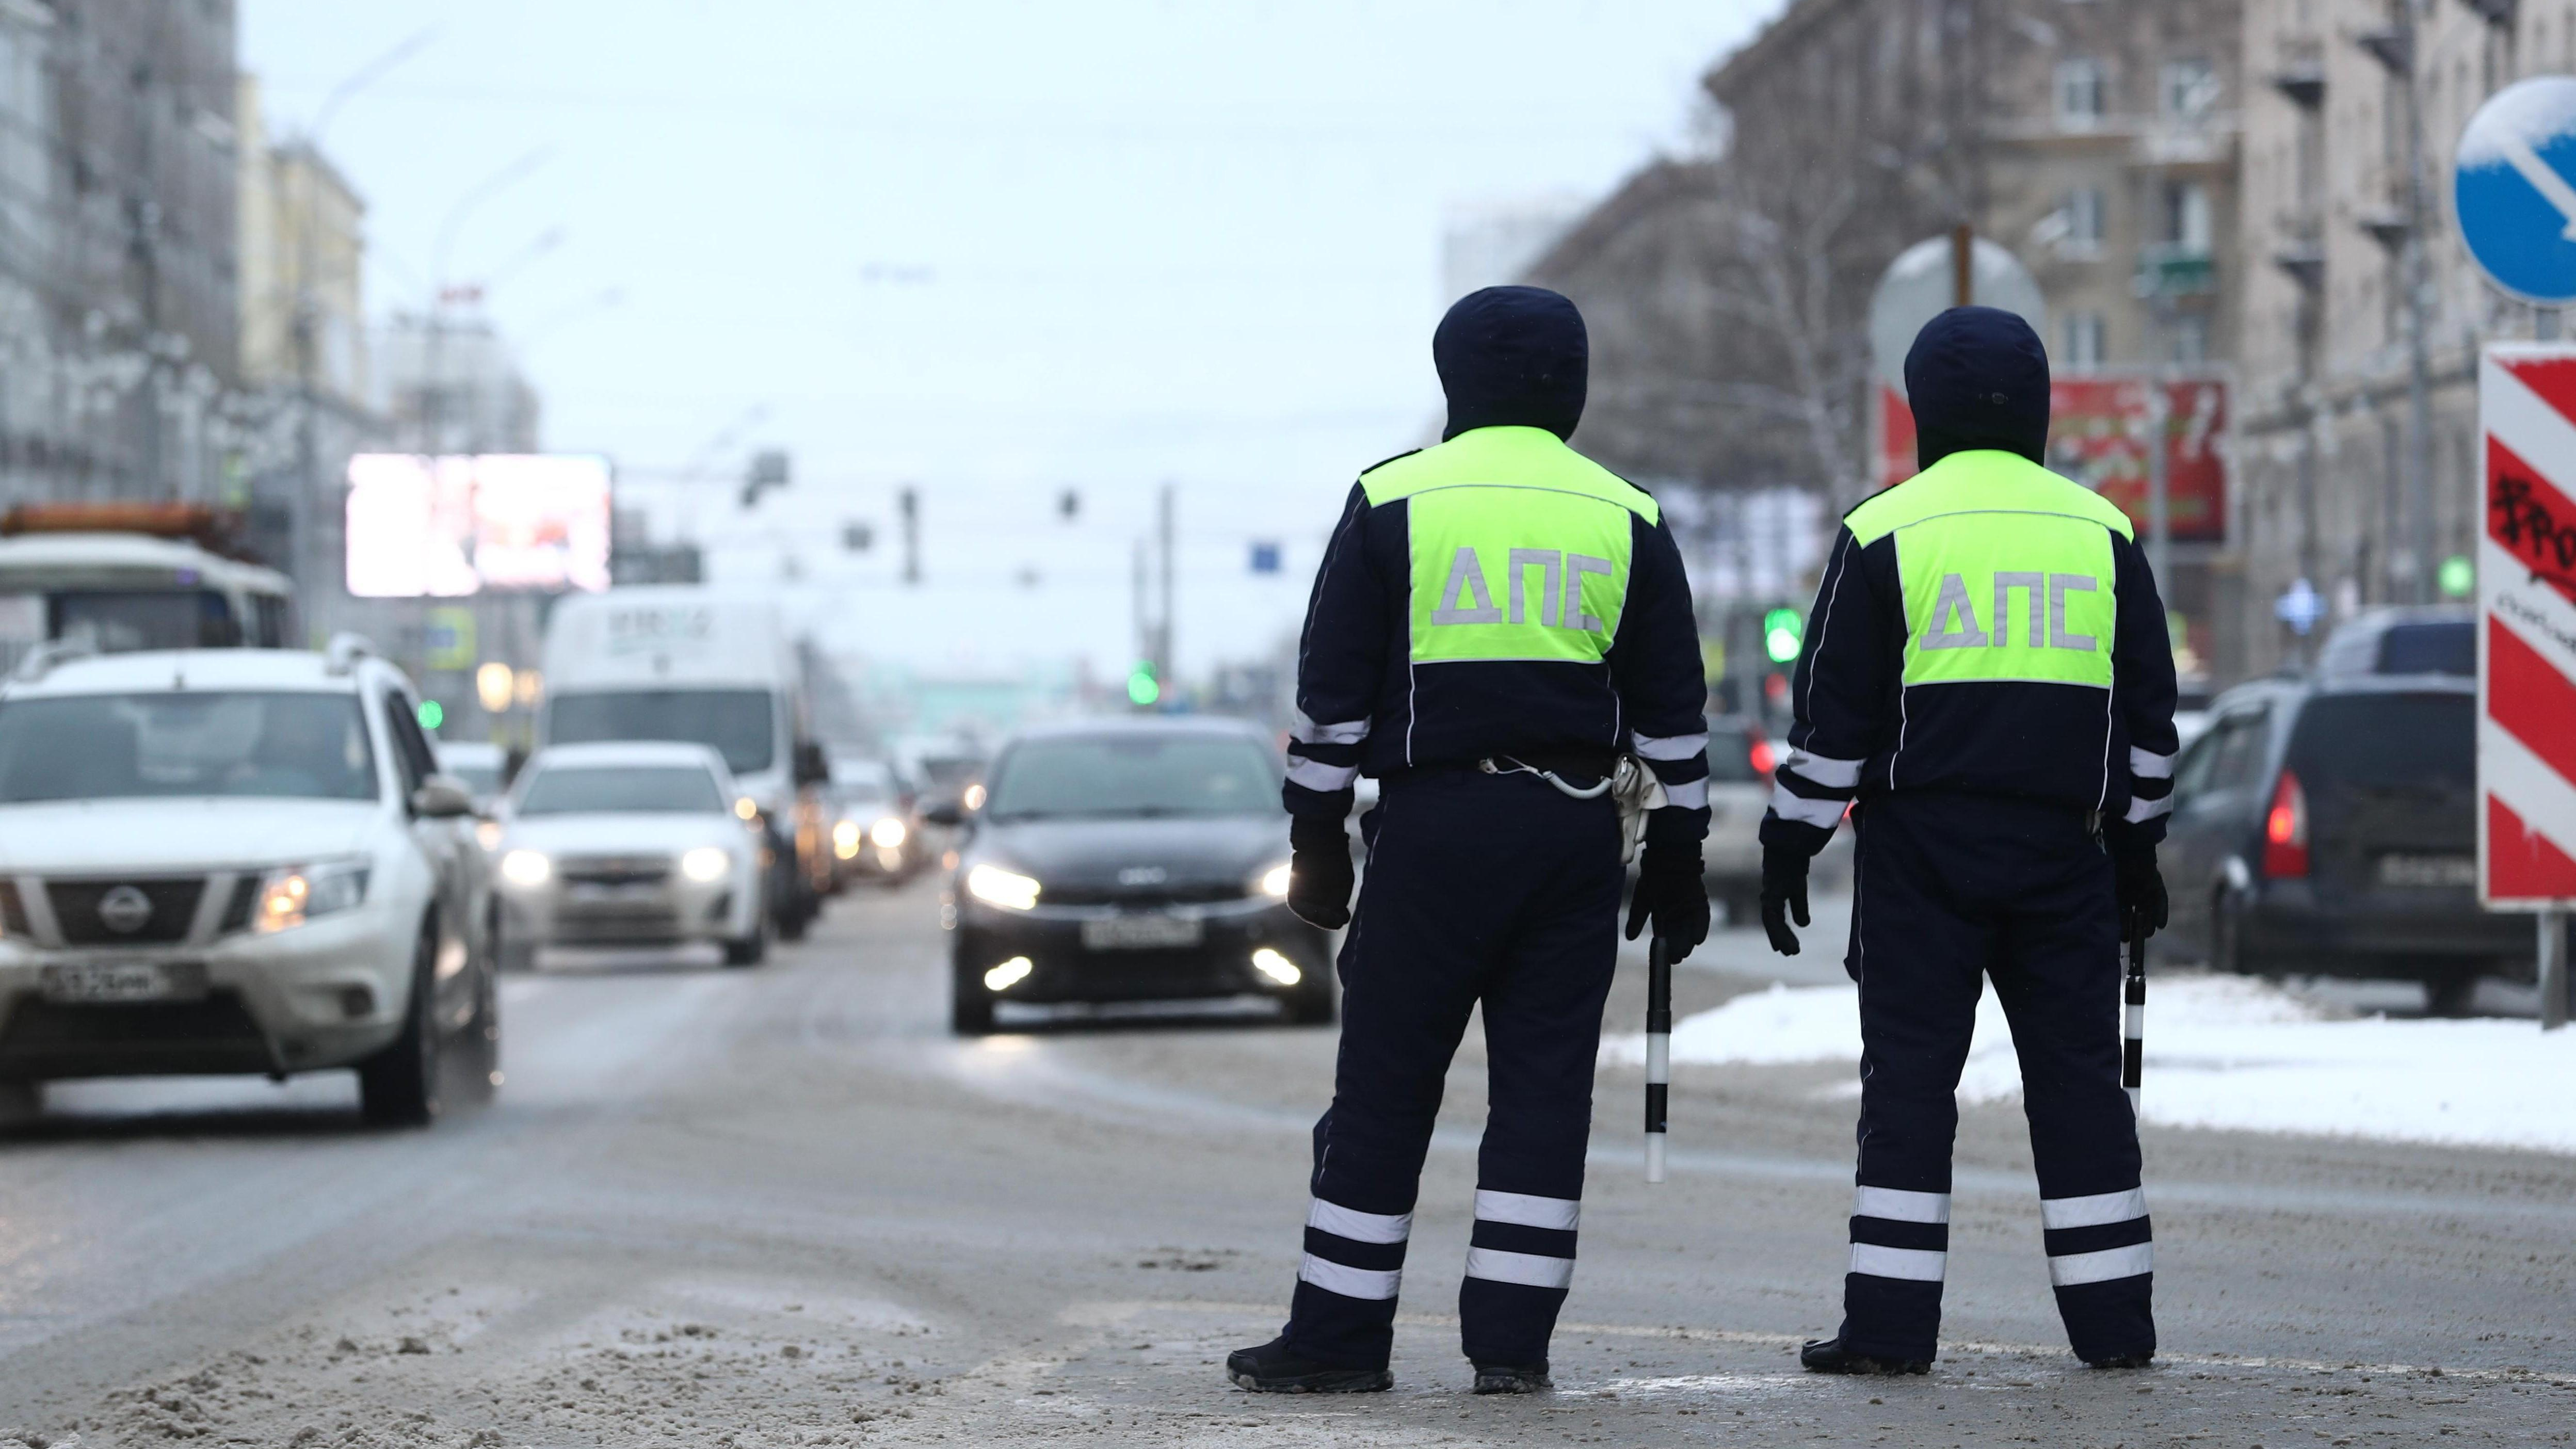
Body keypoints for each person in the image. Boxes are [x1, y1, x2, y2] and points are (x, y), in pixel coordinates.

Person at [1226, 285, 1713, 1396]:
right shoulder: (1624, 514)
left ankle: (1340, 1340)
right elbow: (1674, 709)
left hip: (1436, 830)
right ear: (1573, 387)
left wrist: (1317, 836)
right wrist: (1680, 850)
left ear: (1456, 382)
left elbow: (1332, 697)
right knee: (1543, 1095)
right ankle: (1511, 1350)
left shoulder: (1392, 497)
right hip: (1573, 836)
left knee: (1386, 1085)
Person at [1757, 305, 2179, 1375]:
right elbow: (2148, 722)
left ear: (1922, 412)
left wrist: (1790, 843)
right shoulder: (2104, 533)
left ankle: (1891, 1331)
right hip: (2064, 856)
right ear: (2038, 408)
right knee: (2081, 1088)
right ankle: (2115, 1327)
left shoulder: (1882, 530)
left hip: (1921, 858)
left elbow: (1834, 722)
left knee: (1908, 1088)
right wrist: (2136, 855)